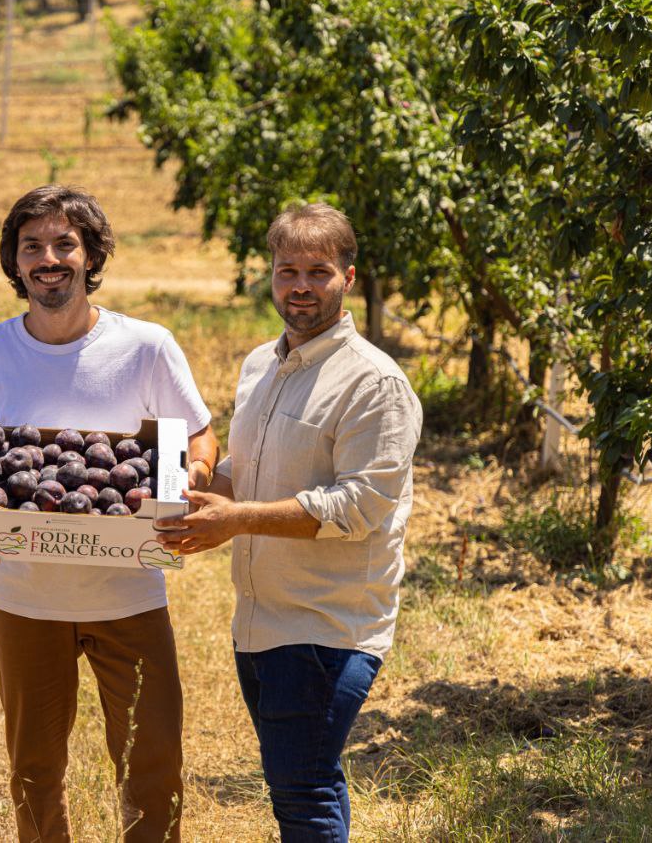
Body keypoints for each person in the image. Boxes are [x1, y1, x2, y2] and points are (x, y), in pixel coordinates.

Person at [0, 185, 219, 843]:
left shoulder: (145, 346)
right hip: (25, 597)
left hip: (129, 592)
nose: (49, 258)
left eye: (65, 244)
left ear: (90, 256)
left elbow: (199, 436)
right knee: (33, 771)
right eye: (33, 247)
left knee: (153, 761)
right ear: (16, 262)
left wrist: (190, 480)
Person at [157, 202, 422, 842]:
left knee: (302, 793)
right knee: (307, 783)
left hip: (326, 624)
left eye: (318, 272)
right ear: (270, 276)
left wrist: (237, 519)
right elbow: (243, 470)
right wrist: (189, 493)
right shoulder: (259, 365)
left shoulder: (373, 384)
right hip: (260, 619)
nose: (300, 286)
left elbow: (359, 505)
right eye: (286, 271)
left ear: (348, 277)